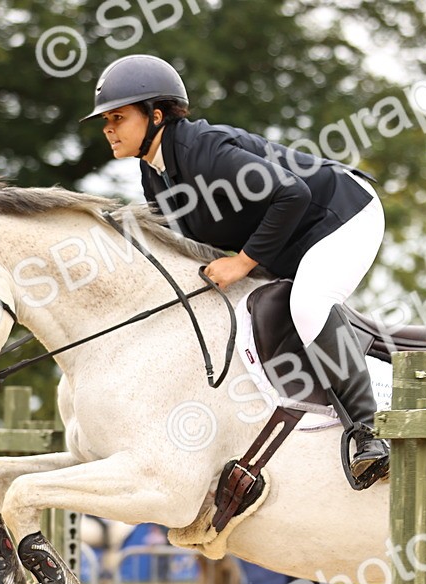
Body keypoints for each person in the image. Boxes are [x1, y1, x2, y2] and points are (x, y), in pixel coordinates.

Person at [83, 54, 388, 487]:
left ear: (155, 115)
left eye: (117, 116)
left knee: (308, 302)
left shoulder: (204, 151)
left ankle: (369, 435)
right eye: (105, 120)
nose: (107, 128)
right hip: (292, 239)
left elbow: (292, 194)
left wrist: (243, 262)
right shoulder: (154, 174)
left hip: (342, 214)